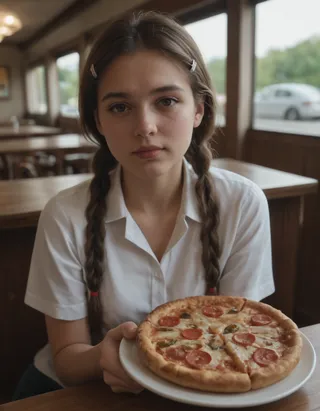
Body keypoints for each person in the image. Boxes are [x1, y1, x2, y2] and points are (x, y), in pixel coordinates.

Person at [12, 10, 274, 401]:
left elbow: (240, 343)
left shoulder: (242, 203)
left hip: (203, 392)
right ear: (97, 120)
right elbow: (66, 359)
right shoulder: (65, 215)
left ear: (198, 109)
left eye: (166, 100)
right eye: (120, 107)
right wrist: (111, 355)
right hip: (81, 390)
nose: (145, 126)